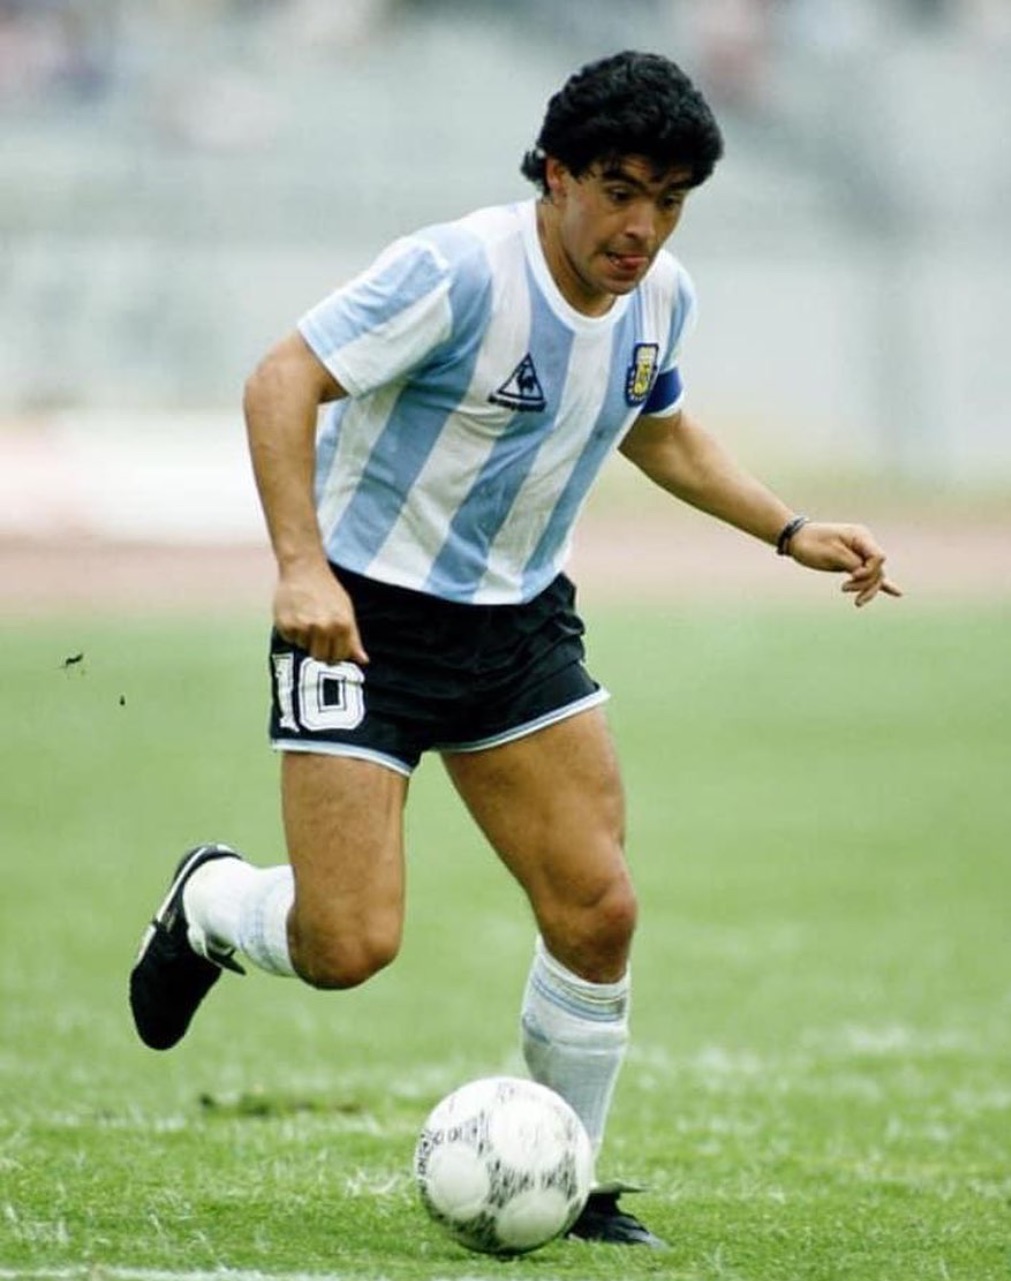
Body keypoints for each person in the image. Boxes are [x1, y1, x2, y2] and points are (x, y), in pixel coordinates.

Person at [129, 49, 900, 1248]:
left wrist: (789, 528)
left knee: (598, 909)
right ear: (556, 175)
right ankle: (211, 902)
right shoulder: (457, 273)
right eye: (619, 190)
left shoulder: (661, 297)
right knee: (349, 945)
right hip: (364, 618)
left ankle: (567, 1180)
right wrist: (299, 567)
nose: (641, 227)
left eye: (670, 201)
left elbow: (658, 429)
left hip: (520, 626)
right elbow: (282, 380)